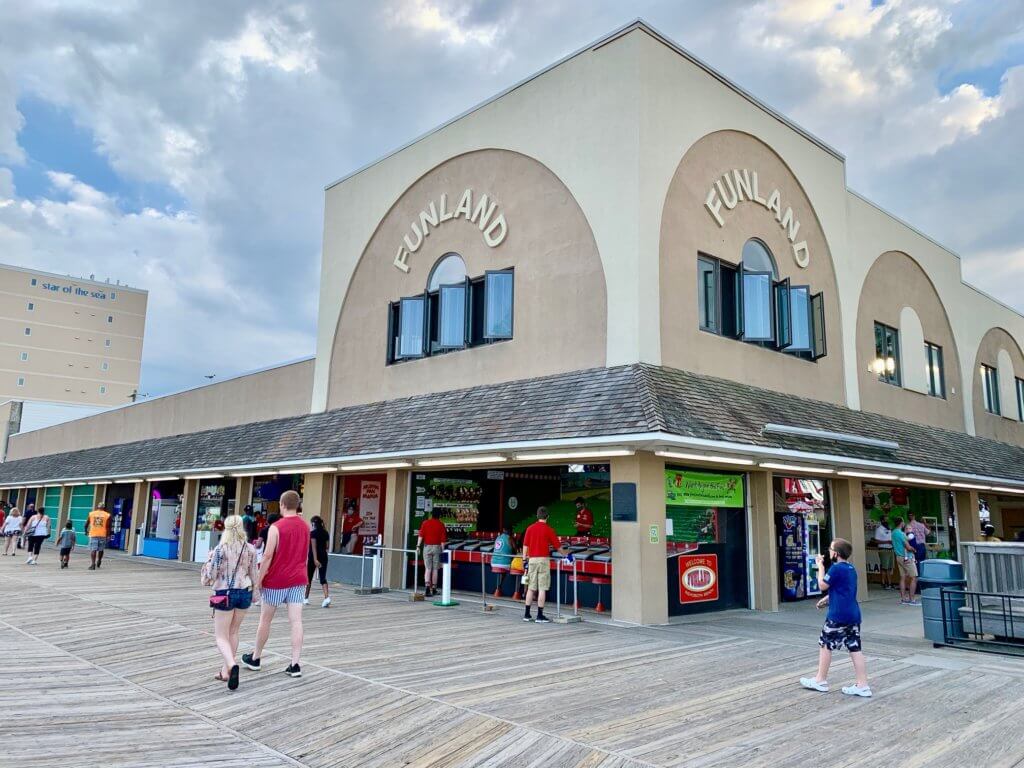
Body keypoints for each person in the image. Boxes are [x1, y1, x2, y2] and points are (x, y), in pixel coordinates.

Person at [243, 490, 307, 678]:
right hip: (298, 579)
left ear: (282, 504)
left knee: (265, 620)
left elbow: (268, 555)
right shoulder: (305, 527)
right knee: (296, 621)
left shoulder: (276, 527)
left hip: (276, 581)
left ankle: (256, 658)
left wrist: (259, 580)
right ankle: (295, 663)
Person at [799, 538, 871, 697]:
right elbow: (843, 591)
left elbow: (822, 585)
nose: (829, 551)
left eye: (831, 549)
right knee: (855, 647)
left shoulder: (836, 568)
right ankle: (863, 685)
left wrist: (820, 567)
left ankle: (820, 680)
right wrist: (827, 600)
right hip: (853, 614)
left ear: (836, 553)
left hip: (838, 615)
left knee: (825, 643)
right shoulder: (850, 568)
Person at [201, 515, 259, 691]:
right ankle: (225, 671)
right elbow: (254, 574)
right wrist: (255, 593)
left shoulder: (221, 549)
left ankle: (232, 665)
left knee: (220, 636)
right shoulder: (250, 549)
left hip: (225, 593)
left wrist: (209, 558)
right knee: (234, 631)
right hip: (245, 593)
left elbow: (210, 576)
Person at [521, 507, 567, 624]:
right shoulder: (549, 530)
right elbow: (558, 547)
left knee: (531, 587)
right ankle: (540, 615)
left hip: (532, 560)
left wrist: (524, 559)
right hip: (543, 561)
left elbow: (525, 546)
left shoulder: (530, 528)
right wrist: (568, 557)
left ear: (537, 516)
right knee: (542, 588)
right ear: (547, 517)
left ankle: (527, 614)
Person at [416, 510, 448, 597]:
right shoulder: (441, 524)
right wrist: (443, 551)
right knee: (435, 569)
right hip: (437, 547)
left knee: (428, 568)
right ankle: (433, 589)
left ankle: (427, 589)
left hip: (427, 547)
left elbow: (421, 535)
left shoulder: (425, 523)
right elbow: (443, 540)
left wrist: (418, 546)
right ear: (439, 516)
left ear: (431, 515)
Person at [891, 517, 919, 605]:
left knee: (903, 577)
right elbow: (908, 547)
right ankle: (912, 599)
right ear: (901, 523)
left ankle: (903, 599)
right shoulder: (901, 534)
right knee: (914, 577)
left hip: (898, 556)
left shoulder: (893, 533)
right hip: (907, 557)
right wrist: (914, 550)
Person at [305, 515, 331, 608]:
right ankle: (326, 597)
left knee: (309, 577)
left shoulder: (313, 533)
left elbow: (313, 546)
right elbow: (327, 546)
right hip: (324, 556)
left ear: (313, 524)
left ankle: (306, 598)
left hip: (313, 558)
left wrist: (315, 559)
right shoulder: (326, 533)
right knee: (323, 577)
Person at [85, 503, 111, 570]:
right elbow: (108, 527)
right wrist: (108, 535)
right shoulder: (107, 515)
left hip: (93, 534)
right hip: (103, 534)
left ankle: (93, 564)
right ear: (104, 508)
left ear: (97, 507)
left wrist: (86, 531)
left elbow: (86, 523)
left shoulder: (91, 514)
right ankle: (99, 560)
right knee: (101, 549)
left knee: (93, 549)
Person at [491, 525, 516, 594]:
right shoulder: (510, 538)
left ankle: (498, 588)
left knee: (502, 572)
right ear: (510, 531)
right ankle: (499, 587)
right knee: (504, 571)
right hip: (504, 564)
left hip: (493, 562)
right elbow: (515, 550)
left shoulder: (498, 537)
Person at [872, 516, 894, 590]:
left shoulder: (889, 528)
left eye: (887, 520)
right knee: (885, 567)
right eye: (885, 520)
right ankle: (883, 583)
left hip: (890, 549)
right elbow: (876, 541)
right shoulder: (879, 529)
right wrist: (887, 542)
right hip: (883, 549)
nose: (887, 521)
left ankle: (890, 583)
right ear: (882, 521)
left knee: (890, 567)